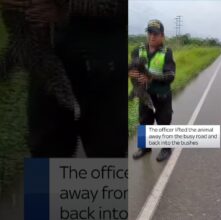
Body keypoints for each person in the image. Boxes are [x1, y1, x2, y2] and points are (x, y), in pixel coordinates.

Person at [1, 0, 128, 157]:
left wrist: (64, 10)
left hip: (102, 69)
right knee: (46, 161)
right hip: (47, 70)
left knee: (106, 157)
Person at [129, 19, 175, 162]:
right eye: (149, 33)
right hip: (144, 94)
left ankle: (166, 149)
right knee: (144, 122)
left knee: (163, 123)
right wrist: (133, 74)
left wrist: (151, 78)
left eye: (155, 33)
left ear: (162, 36)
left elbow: (170, 76)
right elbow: (132, 69)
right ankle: (145, 147)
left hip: (162, 96)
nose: (152, 37)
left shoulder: (166, 52)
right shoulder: (138, 50)